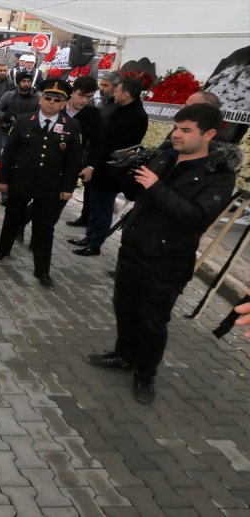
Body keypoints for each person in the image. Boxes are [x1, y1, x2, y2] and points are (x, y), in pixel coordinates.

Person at [87, 104, 239, 404]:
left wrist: (155, 187)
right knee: (125, 309)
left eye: (185, 130)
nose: (176, 135)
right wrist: (125, 173)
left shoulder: (218, 175)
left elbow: (196, 216)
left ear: (208, 135)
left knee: (152, 321)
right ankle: (124, 356)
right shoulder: (165, 156)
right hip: (134, 250)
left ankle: (146, 373)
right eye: (175, 128)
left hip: (168, 261)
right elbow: (135, 194)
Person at [0, 80, 82, 289]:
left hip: (50, 186)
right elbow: (10, 153)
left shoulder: (72, 126)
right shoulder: (24, 121)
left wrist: (68, 188)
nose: (51, 103)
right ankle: (3, 249)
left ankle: (42, 270)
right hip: (21, 180)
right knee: (12, 218)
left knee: (44, 229)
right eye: (48, 98)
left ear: (63, 104)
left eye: (57, 100)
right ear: (41, 99)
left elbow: (72, 161)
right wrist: (3, 180)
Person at [70, 78, 148, 257]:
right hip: (101, 164)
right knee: (94, 204)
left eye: (117, 91)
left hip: (112, 169)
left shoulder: (135, 116)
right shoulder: (121, 109)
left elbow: (116, 142)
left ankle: (95, 243)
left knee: (103, 207)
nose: (114, 94)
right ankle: (89, 236)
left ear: (126, 94)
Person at [61, 77, 104, 229]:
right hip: (48, 161)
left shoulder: (93, 114)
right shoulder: (57, 105)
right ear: (72, 92)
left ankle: (37, 240)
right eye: (81, 95)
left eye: (89, 97)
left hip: (73, 165)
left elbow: (97, 144)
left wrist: (90, 166)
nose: (84, 100)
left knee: (59, 203)